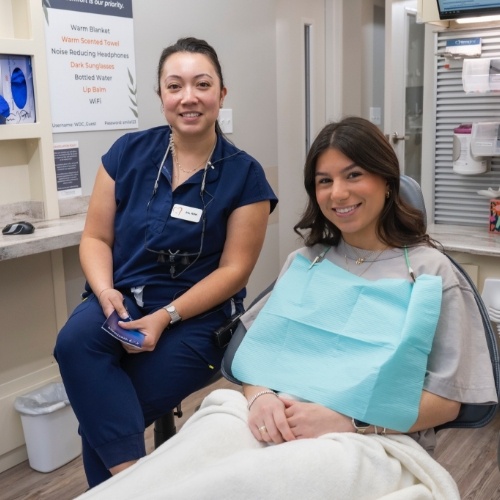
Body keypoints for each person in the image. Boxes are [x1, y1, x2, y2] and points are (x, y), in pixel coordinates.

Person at [75, 117, 497, 499]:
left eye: (354, 175)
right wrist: (259, 398)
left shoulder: (431, 274)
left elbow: (450, 402)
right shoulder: (307, 261)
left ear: (386, 181)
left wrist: (347, 422)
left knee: (247, 482)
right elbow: (254, 358)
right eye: (324, 181)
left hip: (366, 437)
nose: (339, 193)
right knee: (182, 459)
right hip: (271, 414)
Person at [54, 37, 277, 488]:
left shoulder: (245, 175)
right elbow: (96, 237)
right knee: (73, 345)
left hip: (197, 319)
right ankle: (138, 488)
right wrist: (104, 291)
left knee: (110, 415)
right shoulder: (128, 154)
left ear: (221, 94)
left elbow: (235, 271)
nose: (188, 97)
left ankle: (125, 490)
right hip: (121, 299)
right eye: (175, 86)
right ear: (160, 97)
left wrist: (166, 315)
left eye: (202, 84)